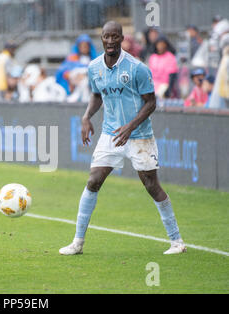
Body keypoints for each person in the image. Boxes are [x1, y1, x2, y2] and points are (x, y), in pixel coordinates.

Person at [59, 21, 186, 256]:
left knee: (151, 185)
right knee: (93, 181)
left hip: (138, 135)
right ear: (102, 39)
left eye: (114, 37)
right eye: (106, 37)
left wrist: (130, 127)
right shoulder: (95, 67)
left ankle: (177, 241)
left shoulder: (136, 68)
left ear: (121, 38)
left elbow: (151, 102)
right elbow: (97, 94)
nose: (109, 41)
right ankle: (77, 242)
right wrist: (86, 117)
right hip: (110, 133)